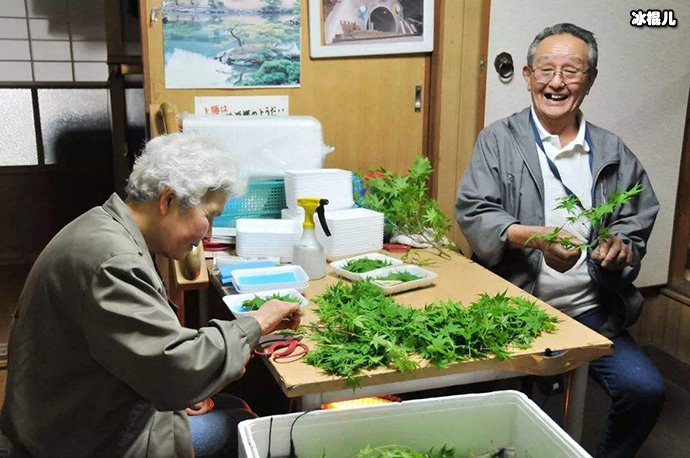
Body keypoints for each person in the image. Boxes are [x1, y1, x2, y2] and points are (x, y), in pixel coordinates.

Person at [0, 132, 301, 457]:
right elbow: (180, 373)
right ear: (168, 200)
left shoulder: (103, 227)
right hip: (82, 441)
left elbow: (148, 355)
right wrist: (256, 322)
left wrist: (173, 385)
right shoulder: (113, 263)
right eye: (210, 216)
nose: (209, 234)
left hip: (80, 413)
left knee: (229, 405)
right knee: (242, 425)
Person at [456, 23, 664, 457]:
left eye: (571, 71)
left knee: (644, 390)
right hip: (512, 307)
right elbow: (476, 210)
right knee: (493, 408)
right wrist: (532, 237)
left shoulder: (611, 150)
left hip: (591, 311)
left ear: (589, 80)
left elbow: (635, 218)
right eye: (546, 70)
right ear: (529, 76)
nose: (557, 82)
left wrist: (621, 246)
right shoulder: (499, 139)